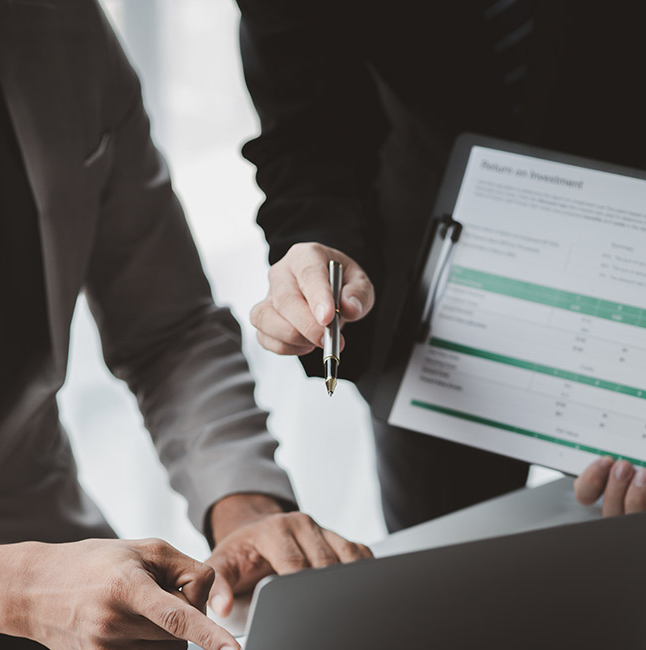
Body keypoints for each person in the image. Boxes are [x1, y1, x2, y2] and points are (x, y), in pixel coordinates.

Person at [0, 0, 371, 650]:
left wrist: (243, 509)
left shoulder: (62, 24)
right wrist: (14, 587)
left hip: (70, 644)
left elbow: (169, 329)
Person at [235, 0, 645, 532]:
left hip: (628, 265)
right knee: (442, 558)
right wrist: (318, 246)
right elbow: (307, 131)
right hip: (434, 291)